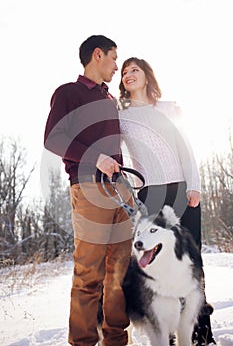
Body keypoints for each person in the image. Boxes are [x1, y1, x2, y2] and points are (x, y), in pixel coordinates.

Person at [119, 57, 216, 345]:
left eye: (134, 70)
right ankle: (167, 335)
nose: (128, 75)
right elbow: (118, 154)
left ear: (147, 76)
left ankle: (201, 333)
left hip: (181, 190)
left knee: (190, 261)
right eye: (124, 72)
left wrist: (194, 185)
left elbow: (185, 148)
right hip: (150, 194)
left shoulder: (167, 109)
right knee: (157, 264)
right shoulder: (121, 117)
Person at [44, 35, 133, 346]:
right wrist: (98, 158)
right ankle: (82, 342)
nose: (116, 66)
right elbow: (53, 139)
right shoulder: (69, 93)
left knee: (120, 273)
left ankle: (117, 340)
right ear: (98, 55)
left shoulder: (110, 99)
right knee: (89, 275)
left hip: (120, 190)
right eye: (113, 58)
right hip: (89, 188)